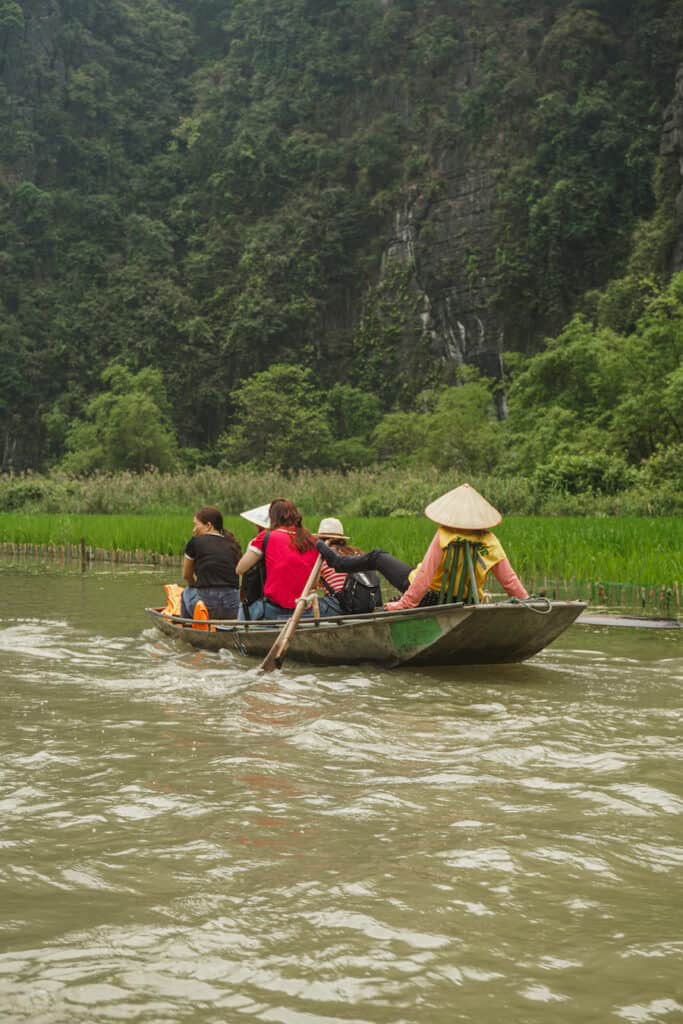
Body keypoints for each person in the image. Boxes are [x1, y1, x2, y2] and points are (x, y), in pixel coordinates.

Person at [316, 483, 528, 609]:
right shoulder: (490, 541)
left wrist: (404, 604)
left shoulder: (445, 535)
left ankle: (337, 563)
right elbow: (510, 582)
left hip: (429, 598)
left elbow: (425, 576)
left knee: (378, 556)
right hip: (467, 599)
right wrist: (526, 601)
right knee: (385, 561)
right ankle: (340, 562)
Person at [236, 499, 339, 620]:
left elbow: (240, 569)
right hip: (304, 610)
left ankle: (240, 635)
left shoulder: (266, 537)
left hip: (273, 611)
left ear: (272, 517)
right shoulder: (312, 540)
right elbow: (314, 583)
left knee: (244, 606)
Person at [181, 506, 242, 619]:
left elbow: (186, 576)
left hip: (206, 608)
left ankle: (186, 626)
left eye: (196, 524)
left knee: (186, 592)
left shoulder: (195, 542)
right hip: (233, 607)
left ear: (208, 526)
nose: (194, 530)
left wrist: (195, 586)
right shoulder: (233, 545)